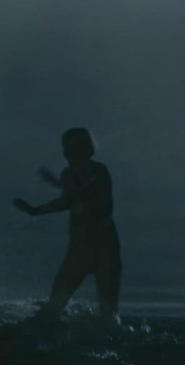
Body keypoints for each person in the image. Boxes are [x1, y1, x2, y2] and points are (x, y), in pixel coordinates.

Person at [14, 126, 121, 322]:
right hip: (106, 244)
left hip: (85, 246)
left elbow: (70, 199)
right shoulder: (100, 170)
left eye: (70, 148)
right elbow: (80, 193)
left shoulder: (72, 173)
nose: (66, 153)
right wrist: (57, 182)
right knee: (108, 312)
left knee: (55, 306)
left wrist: (35, 210)